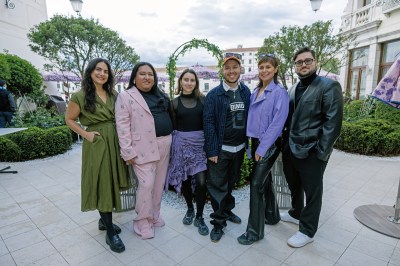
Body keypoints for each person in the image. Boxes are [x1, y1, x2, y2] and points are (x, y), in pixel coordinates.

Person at [65, 58, 130, 253]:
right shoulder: (79, 96)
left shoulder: (113, 94)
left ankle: (104, 221)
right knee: (103, 184)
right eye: (98, 70)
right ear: (90, 72)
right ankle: (110, 232)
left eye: (106, 71)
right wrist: (86, 134)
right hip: (97, 143)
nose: (102, 74)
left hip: (115, 141)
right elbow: (69, 119)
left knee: (111, 181)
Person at [281, 47, 343, 248]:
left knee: (312, 192)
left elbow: (333, 122)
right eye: (299, 62)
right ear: (295, 66)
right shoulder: (292, 88)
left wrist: (321, 152)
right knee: (294, 185)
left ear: (315, 62)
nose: (304, 64)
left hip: (313, 151)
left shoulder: (328, 86)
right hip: (291, 149)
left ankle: (307, 230)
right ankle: (296, 213)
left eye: (308, 61)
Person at [115, 62, 173, 240]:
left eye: (150, 74)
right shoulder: (126, 96)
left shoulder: (159, 94)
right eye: (142, 74)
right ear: (134, 77)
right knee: (146, 184)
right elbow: (122, 125)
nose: (147, 77)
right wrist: (127, 151)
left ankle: (154, 215)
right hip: (142, 147)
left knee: (158, 184)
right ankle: (141, 221)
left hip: (165, 144)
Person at [237, 54, 289, 245]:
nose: (264, 70)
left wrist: (262, 148)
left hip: (269, 143)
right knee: (265, 181)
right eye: (261, 67)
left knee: (256, 184)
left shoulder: (279, 93)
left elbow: (277, 124)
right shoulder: (256, 91)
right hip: (255, 141)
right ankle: (272, 216)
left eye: (268, 67)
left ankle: (254, 232)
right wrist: (251, 146)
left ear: (275, 69)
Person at [203, 52, 251, 242]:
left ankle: (227, 211)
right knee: (217, 187)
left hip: (239, 149)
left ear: (240, 69)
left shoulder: (246, 91)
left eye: (235, 67)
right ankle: (218, 222)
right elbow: (208, 123)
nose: (231, 71)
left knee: (231, 183)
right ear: (222, 70)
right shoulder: (214, 95)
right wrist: (212, 150)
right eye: (227, 67)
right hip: (221, 150)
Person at [166, 69, 209, 236]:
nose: (189, 83)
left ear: (196, 83)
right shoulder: (174, 103)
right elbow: (173, 127)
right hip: (181, 146)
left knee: (201, 182)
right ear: (181, 82)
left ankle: (200, 216)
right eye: (186, 79)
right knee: (184, 179)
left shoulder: (203, 101)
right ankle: (190, 209)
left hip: (199, 146)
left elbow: (207, 123)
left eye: (192, 80)